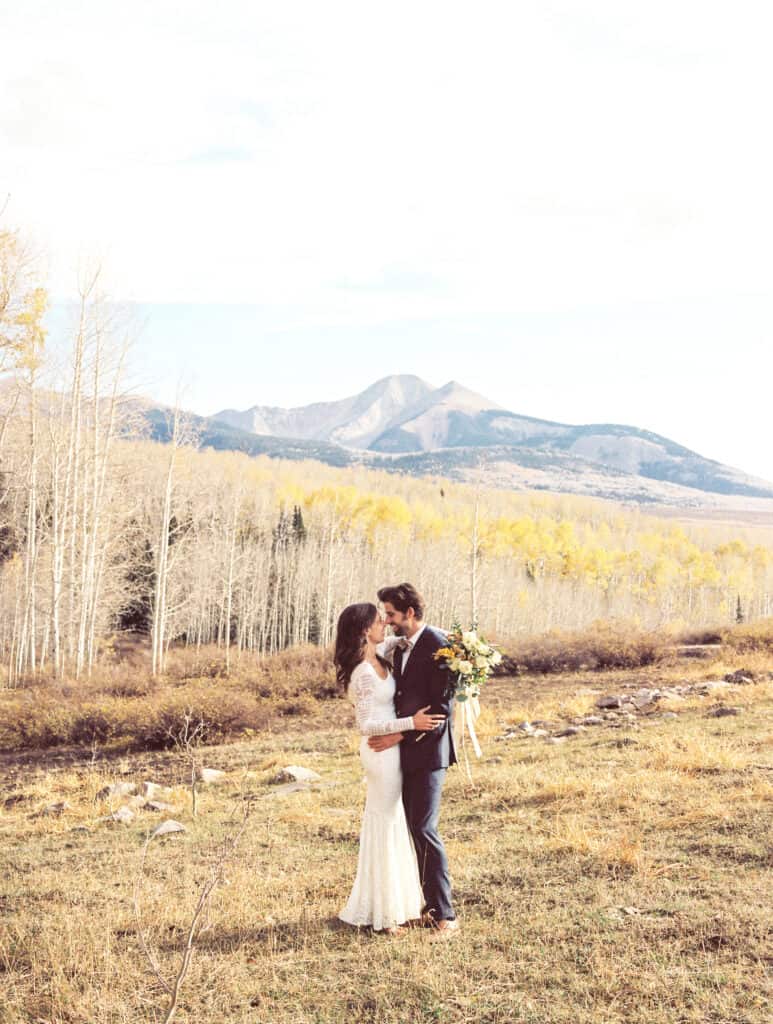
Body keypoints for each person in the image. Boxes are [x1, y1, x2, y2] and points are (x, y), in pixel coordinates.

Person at [334, 602, 446, 935]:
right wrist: (412, 723)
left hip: (393, 749)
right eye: (377, 620)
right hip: (380, 754)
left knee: (394, 822)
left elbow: (411, 636)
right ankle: (382, 915)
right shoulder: (363, 672)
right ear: (364, 629)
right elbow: (367, 724)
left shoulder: (380, 653)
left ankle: (395, 905)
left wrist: (451, 638)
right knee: (383, 823)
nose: (384, 623)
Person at [373, 583, 459, 935]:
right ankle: (429, 906)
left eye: (391, 614)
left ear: (409, 613)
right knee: (413, 829)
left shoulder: (440, 646)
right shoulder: (400, 645)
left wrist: (398, 734)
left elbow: (439, 712)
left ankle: (446, 916)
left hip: (428, 750)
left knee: (424, 828)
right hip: (406, 753)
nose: (387, 620)